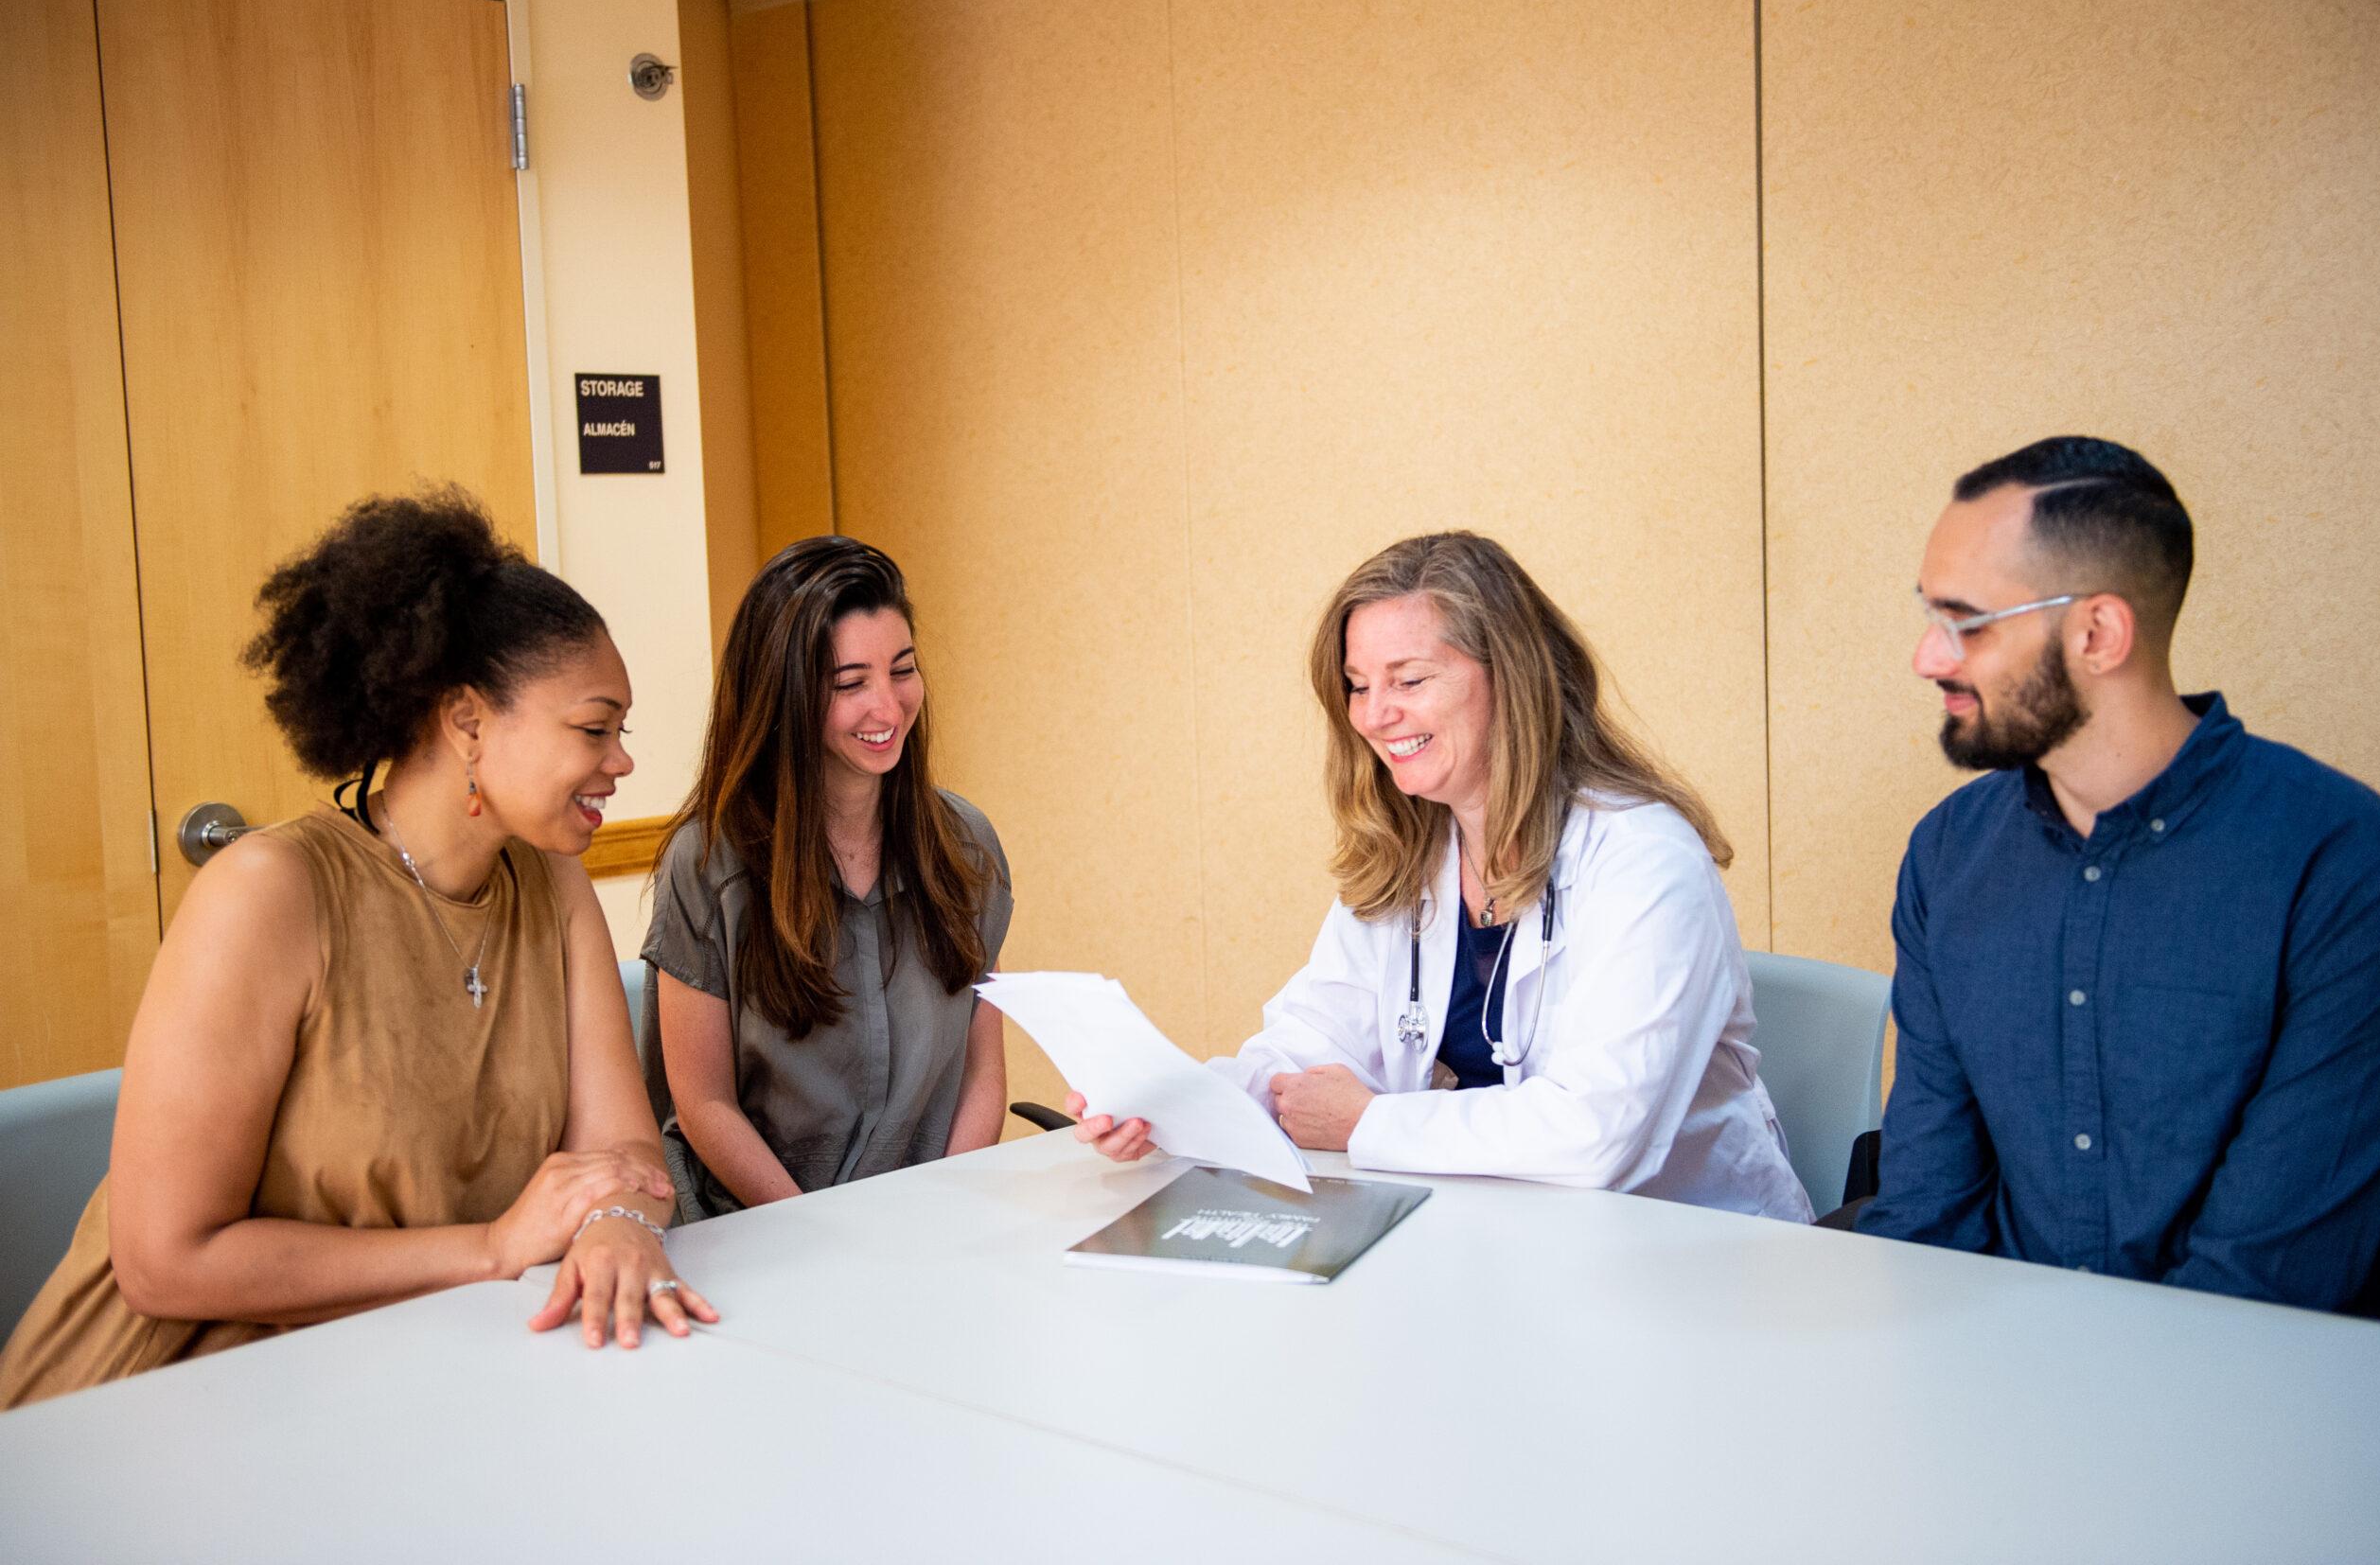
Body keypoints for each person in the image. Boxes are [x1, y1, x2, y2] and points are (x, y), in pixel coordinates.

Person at [0, 492, 715, 1411]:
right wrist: (496, 1247)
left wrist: (617, 1226)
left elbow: (619, 1152)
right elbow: (165, 1265)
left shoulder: (551, 881)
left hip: (406, 1369)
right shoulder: (268, 893)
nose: (620, 762)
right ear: (466, 721)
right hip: (163, 1402)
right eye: (593, 728)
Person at [1853, 435, 2380, 1318]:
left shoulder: (2352, 870)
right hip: (1997, 1371)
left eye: (1965, 623)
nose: (1929, 659)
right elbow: (1926, 1213)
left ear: (2098, 632)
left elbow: (2263, 1285)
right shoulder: (1948, 854)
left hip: (2256, 1401)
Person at [1073, 532, 1809, 1215]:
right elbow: (1309, 1048)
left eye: (1410, 679)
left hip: (1692, 1260)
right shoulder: (1412, 855)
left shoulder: (1643, 859)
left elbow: (1595, 1136)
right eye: (1359, 685)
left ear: (1512, 678)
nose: (1374, 715)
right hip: (1512, 1246)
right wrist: (1175, 1102)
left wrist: (1367, 1122)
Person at [641, 537, 1012, 1219]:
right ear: (785, 697)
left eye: (901, 670)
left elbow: (982, 1073)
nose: (889, 708)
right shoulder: (707, 866)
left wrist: (950, 1208)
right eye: (850, 684)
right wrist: (820, 1234)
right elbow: (704, 1104)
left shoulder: (966, 848)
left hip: (924, 1230)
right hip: (762, 1233)